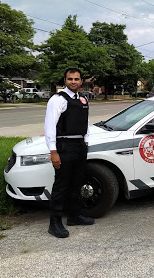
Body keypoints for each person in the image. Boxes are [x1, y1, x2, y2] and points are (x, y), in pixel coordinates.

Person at [44, 68, 94, 238]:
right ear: (64, 80)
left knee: (77, 182)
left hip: (79, 145)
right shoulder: (57, 100)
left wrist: (85, 140)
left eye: (76, 79)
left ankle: (74, 216)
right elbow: (50, 126)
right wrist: (53, 151)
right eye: (70, 79)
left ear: (81, 81)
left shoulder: (82, 99)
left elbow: (85, 121)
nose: (73, 81)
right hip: (64, 145)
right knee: (61, 184)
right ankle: (55, 223)